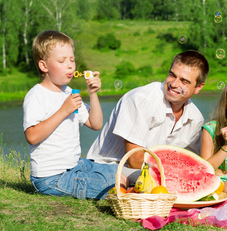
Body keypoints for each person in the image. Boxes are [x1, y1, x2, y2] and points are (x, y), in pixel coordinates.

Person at [23, 30, 127, 199]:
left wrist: (93, 93)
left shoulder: (70, 92)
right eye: (62, 61)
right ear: (44, 66)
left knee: (122, 170)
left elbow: (95, 124)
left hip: (74, 166)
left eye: (72, 59)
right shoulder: (37, 95)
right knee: (117, 183)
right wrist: (64, 110)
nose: (70, 65)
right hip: (51, 178)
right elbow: (32, 136)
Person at [87, 50, 209, 183]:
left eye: (184, 81)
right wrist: (176, 174)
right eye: (172, 75)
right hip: (109, 166)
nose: (174, 84)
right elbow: (134, 160)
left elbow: (190, 161)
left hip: (154, 171)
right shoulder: (140, 99)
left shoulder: (196, 118)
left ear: (198, 88)